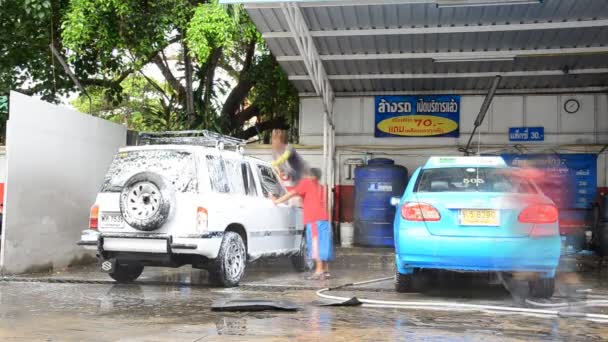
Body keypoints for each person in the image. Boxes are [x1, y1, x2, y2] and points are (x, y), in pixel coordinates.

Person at [272, 168, 333, 280]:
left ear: (310, 175)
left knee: (316, 244)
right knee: (324, 243)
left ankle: (319, 271)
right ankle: (325, 270)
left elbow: (291, 193)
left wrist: (276, 201)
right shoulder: (322, 188)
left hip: (314, 219)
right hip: (324, 219)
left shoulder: (307, 183)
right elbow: (305, 200)